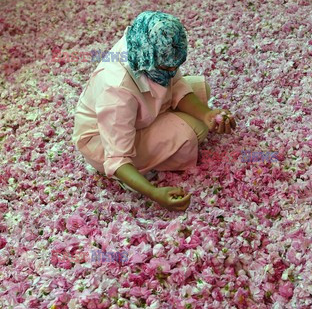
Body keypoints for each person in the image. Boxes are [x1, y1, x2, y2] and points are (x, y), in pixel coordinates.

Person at [72, 11, 236, 212]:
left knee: (202, 92)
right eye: (165, 68)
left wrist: (206, 114)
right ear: (147, 58)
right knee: (195, 130)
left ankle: (170, 123)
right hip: (103, 143)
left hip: (135, 113)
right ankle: (134, 174)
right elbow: (117, 158)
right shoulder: (116, 89)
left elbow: (174, 83)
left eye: (174, 67)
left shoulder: (143, 42)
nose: (171, 72)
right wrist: (153, 192)